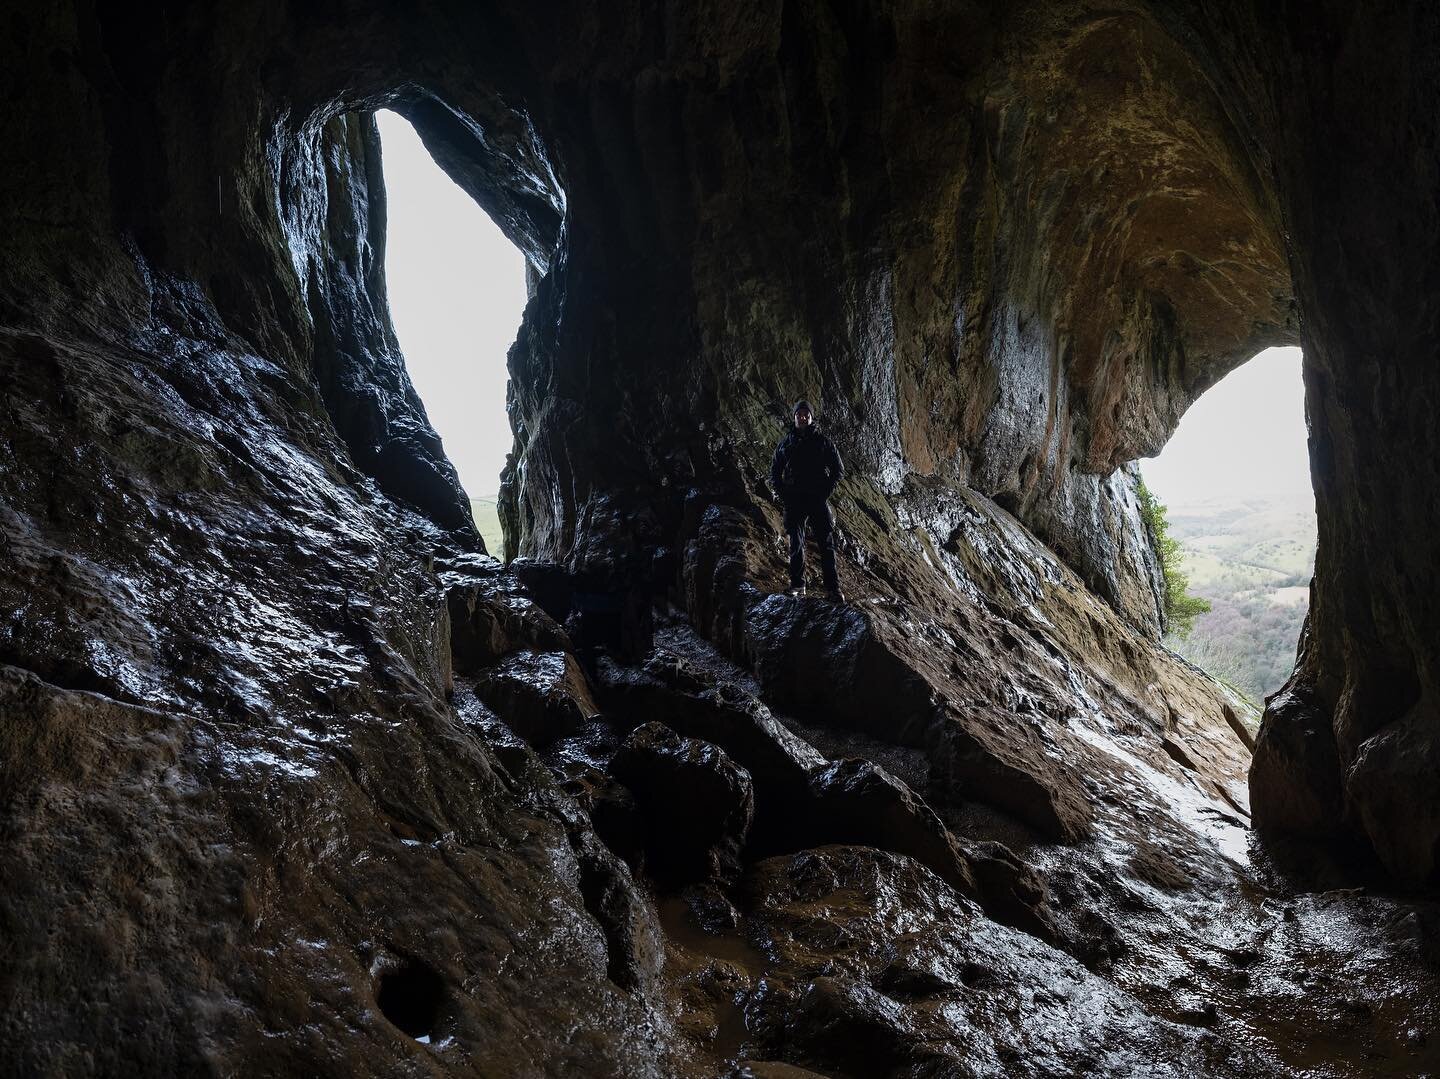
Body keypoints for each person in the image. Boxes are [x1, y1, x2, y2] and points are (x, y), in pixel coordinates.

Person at [770, 400, 845, 601]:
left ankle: (833, 588)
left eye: (806, 414)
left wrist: (825, 491)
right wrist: (784, 494)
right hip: (794, 500)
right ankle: (797, 585)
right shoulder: (786, 443)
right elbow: (775, 471)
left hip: (817, 499)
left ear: (811, 418)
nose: (802, 417)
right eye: (799, 414)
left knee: (826, 543)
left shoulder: (823, 442)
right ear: (794, 417)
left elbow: (838, 470)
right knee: (796, 543)